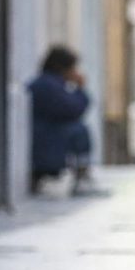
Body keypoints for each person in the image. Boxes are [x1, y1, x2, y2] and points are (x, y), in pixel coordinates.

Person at [27, 46, 106, 198]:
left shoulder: (48, 83)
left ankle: (81, 176)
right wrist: (80, 89)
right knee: (79, 131)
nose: (75, 72)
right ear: (62, 68)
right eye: (72, 68)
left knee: (78, 129)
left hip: (45, 136)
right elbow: (72, 110)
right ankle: (81, 178)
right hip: (45, 140)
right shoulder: (48, 85)